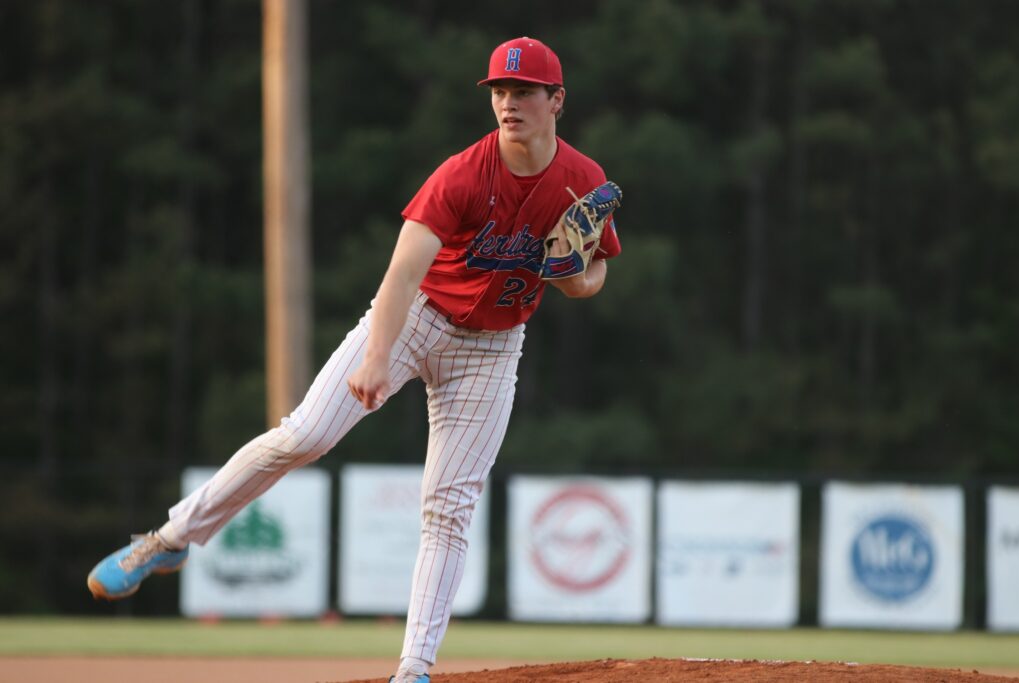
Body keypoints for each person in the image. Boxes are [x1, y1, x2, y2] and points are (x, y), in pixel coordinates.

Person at [86, 36, 622, 683]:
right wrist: (375, 357)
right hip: (415, 318)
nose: (508, 103)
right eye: (499, 92)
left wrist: (567, 275)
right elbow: (400, 276)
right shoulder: (462, 174)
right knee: (303, 434)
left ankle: (414, 669)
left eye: (523, 92)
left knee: (448, 507)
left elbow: (592, 277)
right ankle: (168, 540)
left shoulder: (581, 181)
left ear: (556, 100)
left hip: (493, 346)